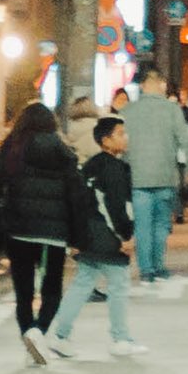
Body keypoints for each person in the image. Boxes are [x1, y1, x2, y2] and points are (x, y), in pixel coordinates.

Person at [0, 102, 83, 364]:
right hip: (54, 233)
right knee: (52, 287)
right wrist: (78, 236)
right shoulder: (62, 150)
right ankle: (38, 331)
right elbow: (77, 195)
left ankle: (29, 334)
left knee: (24, 291)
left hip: (19, 229)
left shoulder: (13, 149)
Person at [58, 115, 146, 357]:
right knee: (118, 285)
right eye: (120, 134)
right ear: (106, 140)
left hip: (87, 235)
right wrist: (125, 236)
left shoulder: (89, 167)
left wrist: (73, 238)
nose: (125, 138)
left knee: (83, 283)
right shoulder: (115, 169)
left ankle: (59, 335)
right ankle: (120, 339)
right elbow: (115, 207)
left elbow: (77, 203)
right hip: (108, 237)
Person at [120, 78, 188, 285]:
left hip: (138, 178)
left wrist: (123, 164)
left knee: (142, 226)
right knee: (161, 225)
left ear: (143, 88)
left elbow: (121, 142)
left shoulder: (128, 111)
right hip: (165, 176)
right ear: (162, 87)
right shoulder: (172, 110)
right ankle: (158, 266)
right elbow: (184, 139)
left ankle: (146, 270)